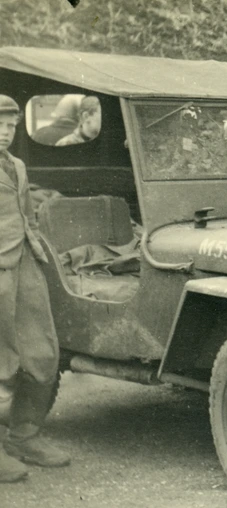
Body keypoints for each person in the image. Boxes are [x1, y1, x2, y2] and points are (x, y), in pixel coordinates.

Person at [0, 96, 71, 483]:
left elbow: (26, 214)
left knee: (42, 353)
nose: (5, 132)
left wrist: (37, 248)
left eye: (11, 126)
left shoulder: (17, 166)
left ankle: (24, 435)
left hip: (26, 262)